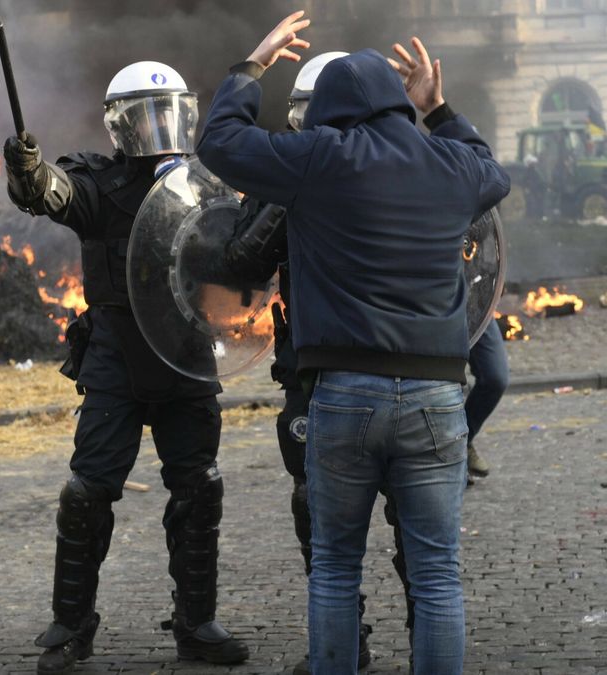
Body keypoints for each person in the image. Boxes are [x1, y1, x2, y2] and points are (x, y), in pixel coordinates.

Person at [197, 11, 510, 674]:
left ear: (332, 110)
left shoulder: (318, 159)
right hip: (435, 395)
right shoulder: (451, 164)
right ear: (399, 105)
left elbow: (221, 143)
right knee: (436, 574)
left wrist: (252, 65)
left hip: (342, 395)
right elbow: (493, 171)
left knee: (335, 566)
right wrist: (439, 107)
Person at [2, 61, 249, 674]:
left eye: (168, 112)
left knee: (199, 487)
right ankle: (71, 626)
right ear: (119, 124)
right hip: (117, 354)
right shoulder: (97, 183)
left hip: (188, 354)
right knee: (87, 492)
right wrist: (27, 171)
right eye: (145, 115)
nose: (159, 127)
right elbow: (50, 193)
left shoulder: (207, 182)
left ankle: (196, 624)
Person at [222, 50, 416, 673]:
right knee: (319, 512)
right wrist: (295, 191)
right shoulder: (290, 172)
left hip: (400, 364)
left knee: (415, 518)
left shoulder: (405, 163)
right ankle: (347, 644)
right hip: (316, 368)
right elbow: (243, 265)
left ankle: (424, 640)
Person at [464, 319, 511, 479]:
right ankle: (449, 456)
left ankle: (462, 442)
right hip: (435, 306)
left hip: (477, 306)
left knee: (495, 378)